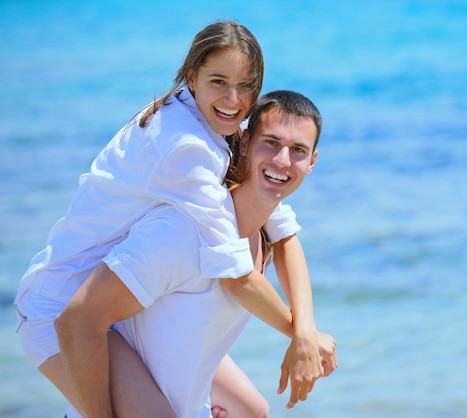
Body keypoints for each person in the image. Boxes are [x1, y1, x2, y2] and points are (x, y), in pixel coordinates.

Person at [14, 21, 334, 417]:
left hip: (116, 294)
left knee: (251, 410)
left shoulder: (224, 130)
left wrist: (306, 329)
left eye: (245, 86)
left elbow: (284, 233)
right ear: (190, 77)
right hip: (64, 304)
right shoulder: (187, 149)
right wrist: (301, 336)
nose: (233, 99)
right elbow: (236, 276)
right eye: (218, 81)